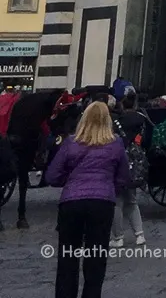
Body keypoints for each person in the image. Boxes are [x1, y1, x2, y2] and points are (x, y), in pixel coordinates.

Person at [46, 100, 130, 298]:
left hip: (72, 202)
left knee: (68, 258)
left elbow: (51, 176)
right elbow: (124, 177)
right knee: (96, 260)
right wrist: (109, 186)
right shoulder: (116, 144)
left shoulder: (70, 143)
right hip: (102, 202)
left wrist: (70, 181)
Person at [110, 87, 150, 248]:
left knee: (117, 201)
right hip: (136, 161)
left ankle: (118, 237)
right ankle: (139, 234)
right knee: (132, 200)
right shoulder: (142, 119)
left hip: (120, 161)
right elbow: (148, 140)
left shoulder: (117, 122)